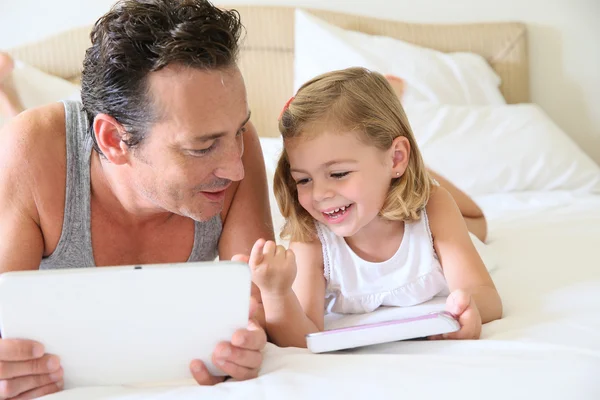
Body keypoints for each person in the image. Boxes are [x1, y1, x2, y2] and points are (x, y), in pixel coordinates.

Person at [0, 1, 273, 399]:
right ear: (114, 140)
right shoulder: (30, 151)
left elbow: (261, 307)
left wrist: (245, 348)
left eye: (239, 129)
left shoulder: (238, 147)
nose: (236, 169)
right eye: (202, 147)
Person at [248, 67, 502, 348]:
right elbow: (304, 337)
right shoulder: (311, 237)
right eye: (304, 179)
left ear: (396, 158)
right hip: (391, 177)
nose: (319, 195)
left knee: (477, 222)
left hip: (425, 206)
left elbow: (486, 296)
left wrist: (467, 308)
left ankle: (416, 172)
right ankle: (397, 172)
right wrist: (276, 293)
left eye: (338, 174)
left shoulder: (435, 207)